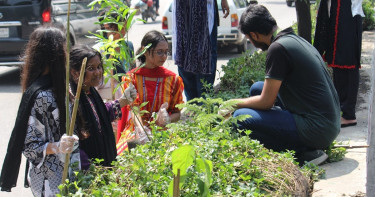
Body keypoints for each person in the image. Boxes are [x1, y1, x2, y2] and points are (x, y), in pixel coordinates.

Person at [221, 5, 341, 165]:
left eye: (249, 38)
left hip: (318, 130)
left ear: (254, 35)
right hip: (329, 123)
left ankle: (305, 153)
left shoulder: (277, 49)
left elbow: (266, 102)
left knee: (240, 118)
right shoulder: (292, 38)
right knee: (257, 88)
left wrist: (232, 104)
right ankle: (300, 142)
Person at [0, 26, 79, 196]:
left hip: (69, 173)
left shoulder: (63, 87)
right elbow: (29, 147)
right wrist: (58, 146)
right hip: (48, 181)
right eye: (64, 49)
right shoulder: (41, 95)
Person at [69, 45, 137, 169]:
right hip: (87, 172)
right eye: (91, 68)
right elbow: (74, 145)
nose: (98, 72)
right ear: (75, 72)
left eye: (99, 67)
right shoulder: (72, 99)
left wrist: (122, 101)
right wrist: (91, 169)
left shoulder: (90, 92)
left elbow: (98, 115)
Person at [116, 30, 184, 154]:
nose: (164, 56)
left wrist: (167, 119)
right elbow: (134, 109)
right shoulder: (131, 78)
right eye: (159, 52)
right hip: (136, 130)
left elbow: (178, 113)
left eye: (166, 52)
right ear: (145, 51)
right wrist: (142, 131)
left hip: (163, 131)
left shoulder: (173, 80)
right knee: (125, 155)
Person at [313, 0, 364, 128]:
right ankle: (341, 110)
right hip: (337, 8)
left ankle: (348, 114)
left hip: (348, 12)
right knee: (337, 59)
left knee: (348, 61)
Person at [173, 0, 229, 101]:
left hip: (202, 10)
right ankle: (195, 104)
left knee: (203, 56)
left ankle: (202, 105)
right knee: (186, 56)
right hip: (183, 8)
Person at [94, 12, 135, 100]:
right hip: (107, 101)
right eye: (120, 27)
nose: (124, 31)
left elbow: (132, 72)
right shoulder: (99, 50)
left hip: (127, 99)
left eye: (125, 27)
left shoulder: (128, 46)